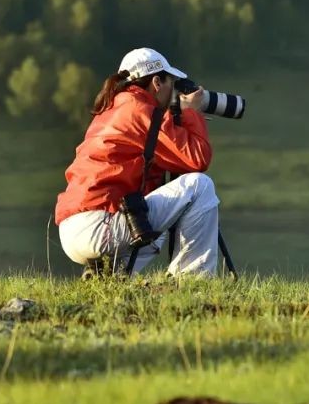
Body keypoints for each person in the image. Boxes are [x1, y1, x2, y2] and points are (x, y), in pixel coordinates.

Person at [55, 47, 220, 278]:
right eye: (172, 84)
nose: (174, 93)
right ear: (157, 83)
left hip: (71, 231)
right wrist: (191, 112)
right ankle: (192, 281)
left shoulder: (111, 110)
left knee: (154, 229)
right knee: (200, 186)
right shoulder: (143, 111)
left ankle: (109, 275)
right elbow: (198, 158)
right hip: (101, 226)